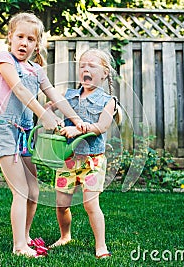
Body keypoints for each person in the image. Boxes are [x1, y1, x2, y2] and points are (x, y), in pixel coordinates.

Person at [0, 12, 86, 258]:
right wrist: (44, 116)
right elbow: (19, 89)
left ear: (37, 44)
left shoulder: (36, 70)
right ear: (10, 37)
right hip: (6, 131)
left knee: (33, 192)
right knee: (20, 191)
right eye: (20, 36)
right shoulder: (4, 59)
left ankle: (25, 236)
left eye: (30, 39)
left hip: (24, 135)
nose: (24, 43)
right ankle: (18, 246)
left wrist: (75, 119)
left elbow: (56, 96)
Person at [48, 48, 120, 259]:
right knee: (61, 204)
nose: (85, 69)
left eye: (91, 66)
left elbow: (101, 127)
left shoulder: (108, 101)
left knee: (90, 204)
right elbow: (48, 107)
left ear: (105, 73)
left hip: (92, 161)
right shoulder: (69, 96)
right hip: (68, 160)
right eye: (82, 66)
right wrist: (51, 118)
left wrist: (77, 128)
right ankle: (64, 236)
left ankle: (101, 245)